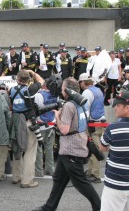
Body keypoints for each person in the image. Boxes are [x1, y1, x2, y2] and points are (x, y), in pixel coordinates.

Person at [32, 77, 101, 211]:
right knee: (59, 179)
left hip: (72, 149)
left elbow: (64, 130)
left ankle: (100, 207)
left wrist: (57, 116)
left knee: (81, 183)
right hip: (72, 146)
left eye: (63, 88)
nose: (61, 91)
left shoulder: (69, 106)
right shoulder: (81, 102)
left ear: (67, 90)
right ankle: (49, 207)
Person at [100, 91, 129, 211]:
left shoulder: (113, 129)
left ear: (127, 107)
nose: (115, 108)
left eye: (118, 105)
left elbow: (102, 147)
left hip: (116, 184)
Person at [9, 69, 44, 188]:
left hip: (15, 121)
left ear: (18, 79)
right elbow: (41, 81)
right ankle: (27, 180)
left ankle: (16, 176)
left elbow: (10, 105)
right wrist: (32, 73)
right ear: (28, 80)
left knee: (16, 148)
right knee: (30, 151)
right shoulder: (29, 90)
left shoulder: (12, 90)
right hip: (28, 122)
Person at [78, 73, 105, 183]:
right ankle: (90, 171)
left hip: (92, 123)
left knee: (93, 148)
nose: (80, 84)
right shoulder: (98, 90)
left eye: (80, 82)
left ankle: (95, 174)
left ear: (83, 82)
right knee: (93, 147)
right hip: (100, 122)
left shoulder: (87, 92)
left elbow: (85, 110)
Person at [34, 77, 59, 177]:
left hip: (41, 124)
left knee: (39, 149)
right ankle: (50, 169)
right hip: (51, 124)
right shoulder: (55, 95)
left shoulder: (39, 95)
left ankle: (39, 171)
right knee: (49, 149)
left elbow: (37, 110)